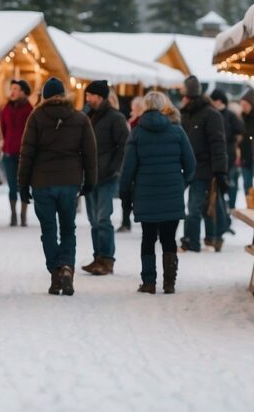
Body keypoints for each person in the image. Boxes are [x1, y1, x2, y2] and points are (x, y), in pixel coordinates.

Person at [18, 77, 97, 296]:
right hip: (70, 182)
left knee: (49, 231)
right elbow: (90, 154)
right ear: (63, 95)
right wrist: (90, 181)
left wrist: (22, 185)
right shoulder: (80, 118)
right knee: (68, 229)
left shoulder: (36, 117)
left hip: (42, 182)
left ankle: (55, 272)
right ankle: (67, 268)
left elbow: (27, 153)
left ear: (44, 96)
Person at [119, 92, 196, 294]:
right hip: (172, 195)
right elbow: (191, 165)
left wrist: (125, 193)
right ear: (163, 107)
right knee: (169, 239)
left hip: (145, 195)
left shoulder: (136, 133)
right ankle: (169, 283)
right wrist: (182, 184)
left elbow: (128, 168)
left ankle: (149, 282)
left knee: (148, 238)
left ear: (145, 107)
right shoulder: (177, 131)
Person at [81, 80, 129, 276]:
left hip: (106, 176)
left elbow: (125, 146)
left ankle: (107, 259)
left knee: (103, 218)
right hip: (89, 177)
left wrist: (115, 168)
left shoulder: (115, 118)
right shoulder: (87, 117)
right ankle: (97, 257)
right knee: (93, 220)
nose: (87, 99)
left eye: (90, 95)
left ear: (100, 97)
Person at [178, 76, 228, 253]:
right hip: (188, 168)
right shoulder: (185, 113)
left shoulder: (210, 114)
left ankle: (196, 241)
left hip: (205, 169)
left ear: (189, 95)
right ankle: (208, 238)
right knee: (204, 206)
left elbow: (218, 144)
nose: (180, 96)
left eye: (183, 92)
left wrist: (220, 172)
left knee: (199, 207)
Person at [0, 79, 33, 227]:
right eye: (11, 88)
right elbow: (3, 128)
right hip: (9, 153)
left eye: (15, 89)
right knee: (12, 185)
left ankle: (23, 215)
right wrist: (5, 144)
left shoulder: (29, 110)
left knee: (24, 185)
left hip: (24, 154)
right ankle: (13, 215)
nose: (12, 92)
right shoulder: (6, 108)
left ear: (23, 92)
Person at [210, 89, 244, 213]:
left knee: (231, 181)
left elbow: (240, 132)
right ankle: (221, 209)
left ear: (218, 101)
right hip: (217, 154)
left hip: (229, 154)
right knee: (219, 183)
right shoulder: (211, 114)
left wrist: (233, 143)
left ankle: (231, 207)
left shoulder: (230, 115)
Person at [118, 95, 147, 233]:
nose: (131, 111)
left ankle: (127, 220)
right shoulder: (133, 121)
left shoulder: (138, 123)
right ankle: (126, 219)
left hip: (135, 162)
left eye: (133, 108)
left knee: (129, 191)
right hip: (134, 161)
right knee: (128, 191)